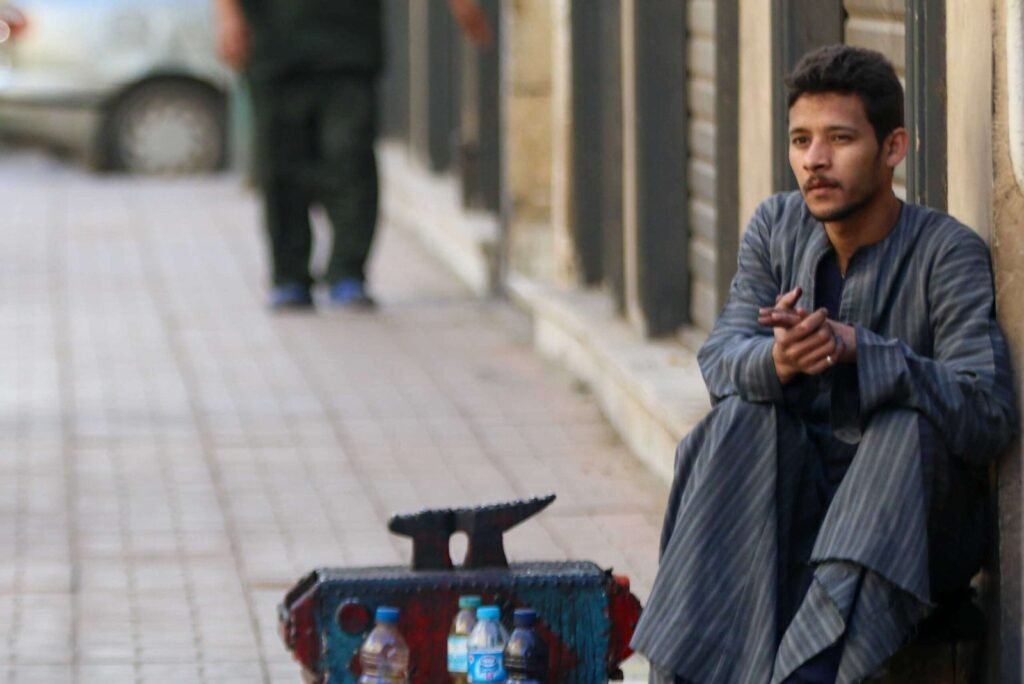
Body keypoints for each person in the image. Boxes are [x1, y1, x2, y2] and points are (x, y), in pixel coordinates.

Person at [631, 44, 1018, 683]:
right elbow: (720, 358)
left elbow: (988, 414)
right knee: (739, 421)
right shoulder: (776, 227)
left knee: (901, 428)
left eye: (839, 139)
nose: (814, 160)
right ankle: (683, 672)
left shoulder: (946, 251)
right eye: (801, 140)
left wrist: (865, 351)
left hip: (910, 538)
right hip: (794, 515)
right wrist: (780, 359)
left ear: (893, 148)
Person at [213, 0, 492, 310]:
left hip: (349, 45)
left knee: (351, 158)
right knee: (281, 167)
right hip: (275, 46)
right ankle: (289, 277)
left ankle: (348, 272)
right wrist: (228, 18)